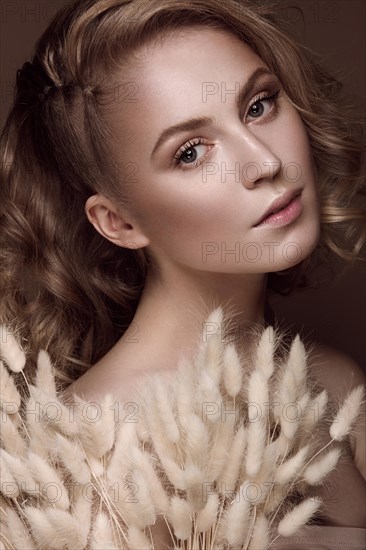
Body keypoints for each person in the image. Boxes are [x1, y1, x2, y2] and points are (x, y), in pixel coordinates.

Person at [0, 0, 365, 547]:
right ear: (118, 221)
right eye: (191, 152)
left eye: (259, 105)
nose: (264, 162)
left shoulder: (337, 386)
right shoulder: (91, 456)